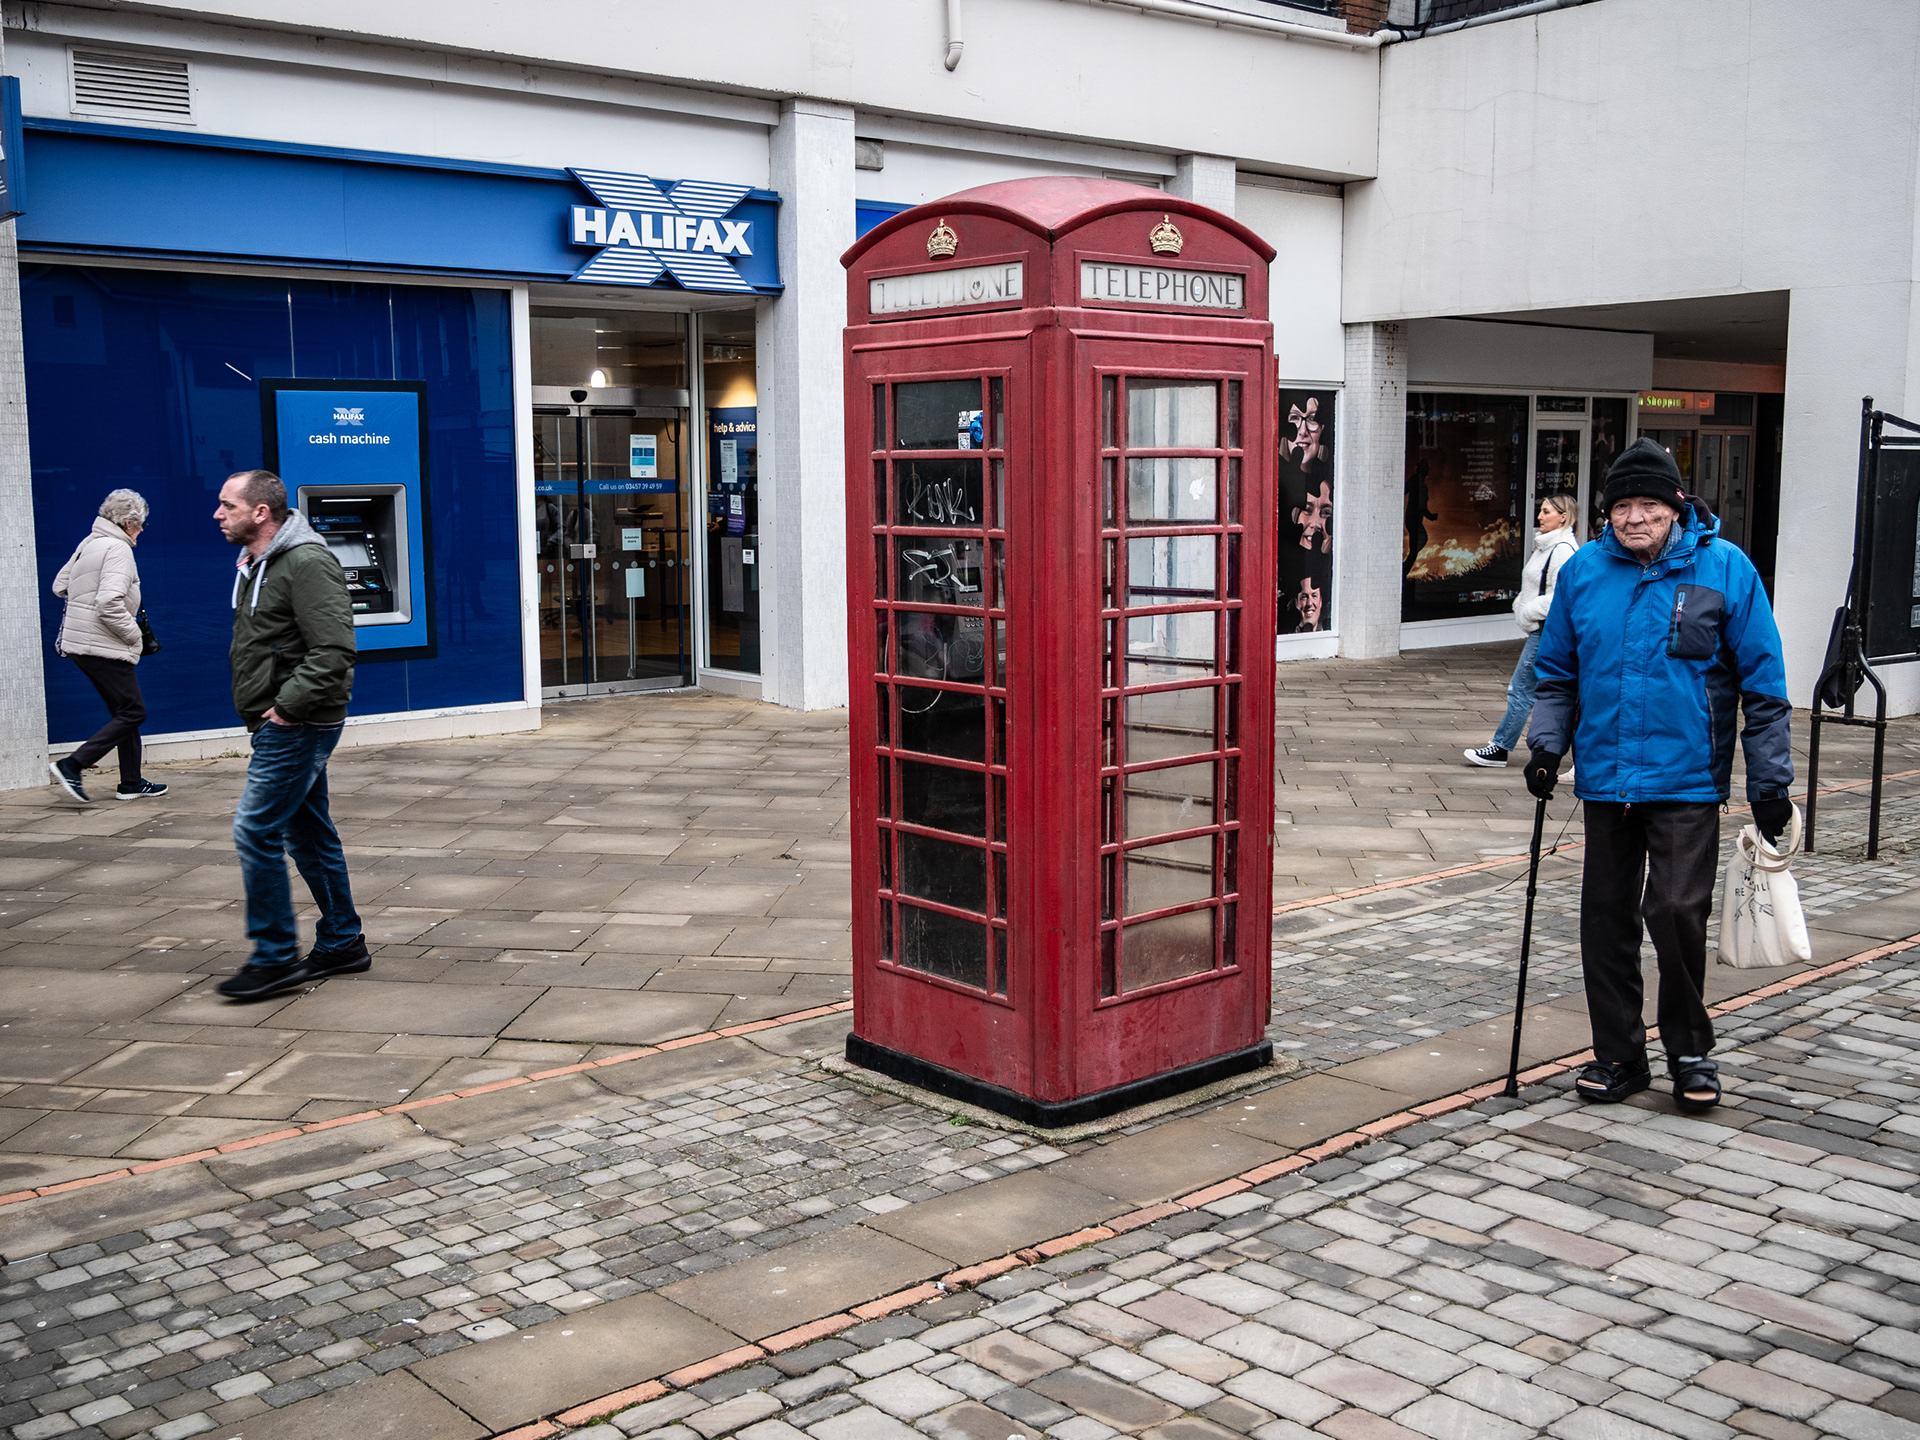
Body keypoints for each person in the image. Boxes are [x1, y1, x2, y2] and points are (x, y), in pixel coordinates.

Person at [1525, 438, 1793, 1114]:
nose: (1633, 517)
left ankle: (1689, 1051)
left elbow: (1764, 688)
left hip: (1688, 780)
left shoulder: (1725, 568)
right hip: (1607, 781)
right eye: (1621, 505)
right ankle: (1618, 1055)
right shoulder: (1585, 571)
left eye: (1647, 504)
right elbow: (1556, 674)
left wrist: (1770, 785)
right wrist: (1546, 747)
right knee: (1605, 920)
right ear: (1606, 512)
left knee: (1676, 915)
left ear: (1676, 507)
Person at [211, 470, 369, 1001]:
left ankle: (275, 956)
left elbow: (335, 649)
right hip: (279, 721)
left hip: (299, 723)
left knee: (254, 830)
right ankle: (343, 941)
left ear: (261, 512)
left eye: (227, 505)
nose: (218, 513)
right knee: (306, 833)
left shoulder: (306, 561)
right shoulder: (259, 563)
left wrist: (285, 710)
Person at [48, 489, 168, 803]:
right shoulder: (118, 549)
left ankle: (131, 782)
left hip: (80, 643)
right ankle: (72, 765)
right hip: (103, 644)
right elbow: (108, 602)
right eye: (140, 524)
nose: (142, 529)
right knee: (133, 711)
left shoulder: (90, 543)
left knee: (123, 711)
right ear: (128, 522)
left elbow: (60, 585)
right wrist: (134, 637)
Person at [1464, 493, 1580, 768]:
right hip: (1541, 628)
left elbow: (1560, 597)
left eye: (1546, 511)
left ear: (1564, 516)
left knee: (1521, 689)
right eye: (1540, 511)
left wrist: (1529, 611)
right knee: (1555, 692)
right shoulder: (1546, 546)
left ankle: (1501, 748)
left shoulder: (1562, 549)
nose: (1539, 516)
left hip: (1546, 629)